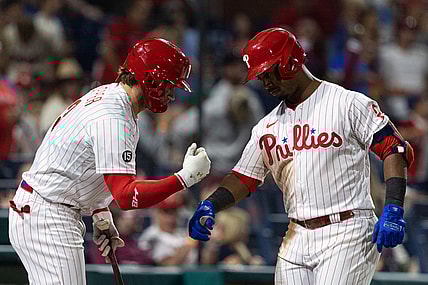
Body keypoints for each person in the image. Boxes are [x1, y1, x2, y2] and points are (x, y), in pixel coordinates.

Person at [188, 27, 414, 285]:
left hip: (348, 229)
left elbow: (393, 147)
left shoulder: (347, 102)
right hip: (296, 234)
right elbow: (244, 177)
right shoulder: (267, 126)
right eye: (260, 78)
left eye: (268, 73)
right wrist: (211, 204)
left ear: (289, 63)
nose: (266, 83)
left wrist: (394, 207)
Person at [8, 38, 211, 285]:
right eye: (168, 84)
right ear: (149, 79)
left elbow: (82, 164)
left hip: (47, 208)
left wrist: (99, 210)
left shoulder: (114, 99)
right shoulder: (113, 116)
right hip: (48, 213)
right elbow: (126, 196)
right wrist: (184, 178)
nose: (171, 93)